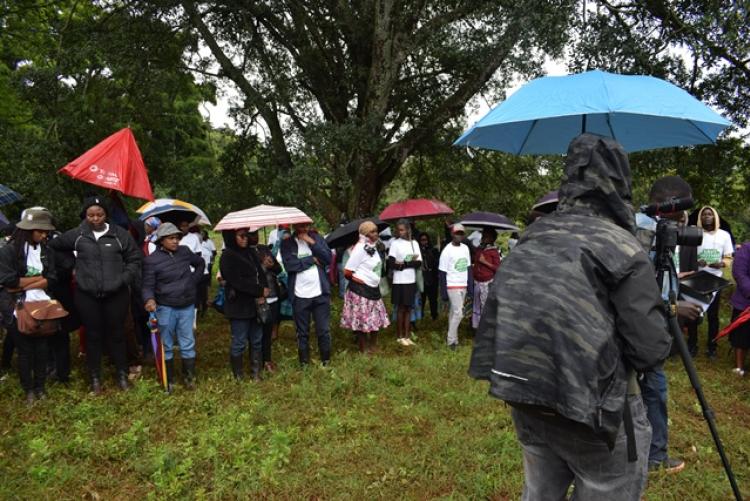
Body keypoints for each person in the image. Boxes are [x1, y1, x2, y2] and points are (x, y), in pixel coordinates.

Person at [469, 134, 672, 501]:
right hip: (597, 411)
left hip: (527, 395)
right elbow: (650, 351)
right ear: (620, 182)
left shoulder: (534, 235)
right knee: (607, 487)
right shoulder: (622, 245)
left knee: (539, 492)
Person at [634, 175, 702, 474]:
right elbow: (633, 291)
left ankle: (644, 450)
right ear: (675, 206)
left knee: (643, 387)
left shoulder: (656, 229)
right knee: (652, 388)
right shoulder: (643, 232)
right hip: (642, 327)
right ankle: (654, 455)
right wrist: (673, 306)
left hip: (648, 323)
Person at [49, 197, 141, 394]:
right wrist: (71, 267)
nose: (95, 218)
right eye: (91, 215)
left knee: (117, 334)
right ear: (85, 215)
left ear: (106, 215)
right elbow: (54, 246)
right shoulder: (77, 235)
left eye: (99, 214)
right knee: (93, 336)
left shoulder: (120, 235)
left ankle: (122, 375)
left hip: (116, 293)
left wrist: (124, 278)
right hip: (87, 294)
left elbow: (134, 258)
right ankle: (95, 378)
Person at [0, 208, 57, 404]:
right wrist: (37, 280)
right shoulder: (9, 251)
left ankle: (40, 387)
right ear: (28, 230)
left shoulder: (46, 251)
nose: (44, 234)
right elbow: (8, 281)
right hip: (17, 307)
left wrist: (30, 282)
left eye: (45, 231)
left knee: (42, 347)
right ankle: (29, 390)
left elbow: (52, 278)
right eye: (39, 231)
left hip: (42, 304)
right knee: (25, 350)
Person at [142, 223, 205, 392]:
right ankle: (169, 380)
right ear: (162, 240)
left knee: (187, 342)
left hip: (186, 305)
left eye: (177, 237)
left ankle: (189, 377)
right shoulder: (151, 261)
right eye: (171, 238)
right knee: (166, 344)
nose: (176, 241)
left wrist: (193, 281)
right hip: (165, 307)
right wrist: (149, 299)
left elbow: (200, 263)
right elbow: (147, 285)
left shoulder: (184, 252)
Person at [281, 222, 333, 366]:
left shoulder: (317, 238)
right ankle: (304, 362)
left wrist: (312, 242)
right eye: (300, 227)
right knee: (302, 331)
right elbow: (290, 266)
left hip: (320, 293)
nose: (304, 229)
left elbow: (328, 258)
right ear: (294, 227)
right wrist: (311, 259)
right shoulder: (287, 244)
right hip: (299, 295)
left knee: (323, 329)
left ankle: (326, 360)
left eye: (306, 226)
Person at [220, 228, 269, 381]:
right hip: (239, 305)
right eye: (240, 236)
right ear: (231, 237)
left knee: (256, 339)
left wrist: (263, 289)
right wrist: (258, 290)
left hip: (255, 304)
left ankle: (256, 372)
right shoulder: (227, 256)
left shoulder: (250, 252)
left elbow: (260, 273)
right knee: (239, 341)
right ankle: (238, 375)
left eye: (246, 235)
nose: (245, 239)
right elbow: (237, 281)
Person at [340, 221, 390, 353]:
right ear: (365, 234)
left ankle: (373, 346)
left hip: (373, 289)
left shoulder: (371, 247)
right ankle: (364, 349)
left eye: (376, 231)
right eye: (372, 232)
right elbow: (347, 272)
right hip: (360, 291)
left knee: (375, 319)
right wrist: (360, 280)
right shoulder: (360, 248)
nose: (376, 234)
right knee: (362, 321)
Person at [696, 206, 733, 358]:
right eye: (704, 214)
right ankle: (692, 344)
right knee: (694, 313)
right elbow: (686, 253)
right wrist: (696, 261)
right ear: (700, 217)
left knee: (713, 315)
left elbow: (728, 257)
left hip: (715, 279)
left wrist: (722, 264)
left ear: (715, 217)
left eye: (710, 214)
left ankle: (712, 347)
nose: (707, 217)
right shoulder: (695, 233)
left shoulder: (724, 235)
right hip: (696, 278)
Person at [387, 219, 421, 346]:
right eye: (398, 229)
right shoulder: (395, 243)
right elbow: (391, 262)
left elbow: (418, 262)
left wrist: (404, 263)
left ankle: (407, 336)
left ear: (408, 230)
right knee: (400, 308)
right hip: (399, 280)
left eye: (402, 229)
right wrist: (403, 264)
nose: (399, 232)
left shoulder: (414, 244)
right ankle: (399, 336)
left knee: (409, 307)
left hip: (410, 279)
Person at [439, 223, 472, 349]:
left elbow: (468, 268)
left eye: (461, 233)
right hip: (452, 285)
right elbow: (442, 272)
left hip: (463, 284)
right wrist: (443, 292)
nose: (459, 235)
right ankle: (451, 340)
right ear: (452, 233)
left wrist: (470, 286)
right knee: (459, 313)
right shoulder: (447, 250)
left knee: (454, 312)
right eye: (457, 233)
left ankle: (455, 339)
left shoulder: (465, 248)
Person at [257, 246, 282, 373]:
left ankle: (267, 360)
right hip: (258, 299)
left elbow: (279, 269)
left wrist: (271, 266)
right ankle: (256, 360)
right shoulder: (249, 254)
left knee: (267, 331)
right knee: (257, 333)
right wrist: (263, 267)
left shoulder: (265, 250)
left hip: (273, 296)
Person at [472, 228, 501, 330]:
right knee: (476, 305)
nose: (484, 238)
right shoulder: (479, 249)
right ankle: (476, 327)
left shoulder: (494, 252)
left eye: (487, 236)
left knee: (485, 306)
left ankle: (485, 329)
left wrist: (485, 262)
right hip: (476, 282)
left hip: (487, 283)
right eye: (483, 235)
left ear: (492, 238)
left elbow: (498, 268)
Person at [729, 240, 750, 376]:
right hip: (745, 300)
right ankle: (739, 368)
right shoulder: (747, 247)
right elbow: (739, 272)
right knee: (741, 336)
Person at [418, 232, 439, 321]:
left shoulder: (433, 250)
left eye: (425, 240)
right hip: (422, 277)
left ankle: (434, 315)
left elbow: (436, 263)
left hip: (432, 277)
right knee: (422, 298)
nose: (424, 242)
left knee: (433, 298)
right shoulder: (417, 251)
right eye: (422, 240)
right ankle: (420, 314)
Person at [197, 230, 217, 319]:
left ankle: (203, 308)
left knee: (202, 292)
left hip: (203, 272)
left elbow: (214, 253)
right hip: (199, 272)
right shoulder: (198, 248)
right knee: (199, 293)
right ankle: (199, 309)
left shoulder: (205, 247)